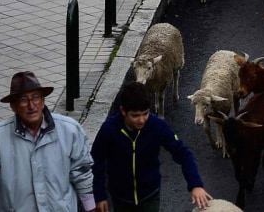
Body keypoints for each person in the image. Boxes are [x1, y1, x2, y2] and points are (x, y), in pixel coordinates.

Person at [0, 71, 97, 212]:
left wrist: (90, 208)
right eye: (23, 100)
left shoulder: (69, 130)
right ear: (13, 106)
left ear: (43, 101)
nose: (31, 105)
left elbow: (82, 172)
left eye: (35, 98)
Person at [90, 82, 212, 212]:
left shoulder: (157, 126)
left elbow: (182, 153)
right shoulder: (109, 129)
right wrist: (99, 195)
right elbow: (97, 161)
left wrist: (195, 184)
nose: (141, 120)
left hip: (149, 195)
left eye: (145, 113)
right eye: (135, 115)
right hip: (120, 197)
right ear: (123, 111)